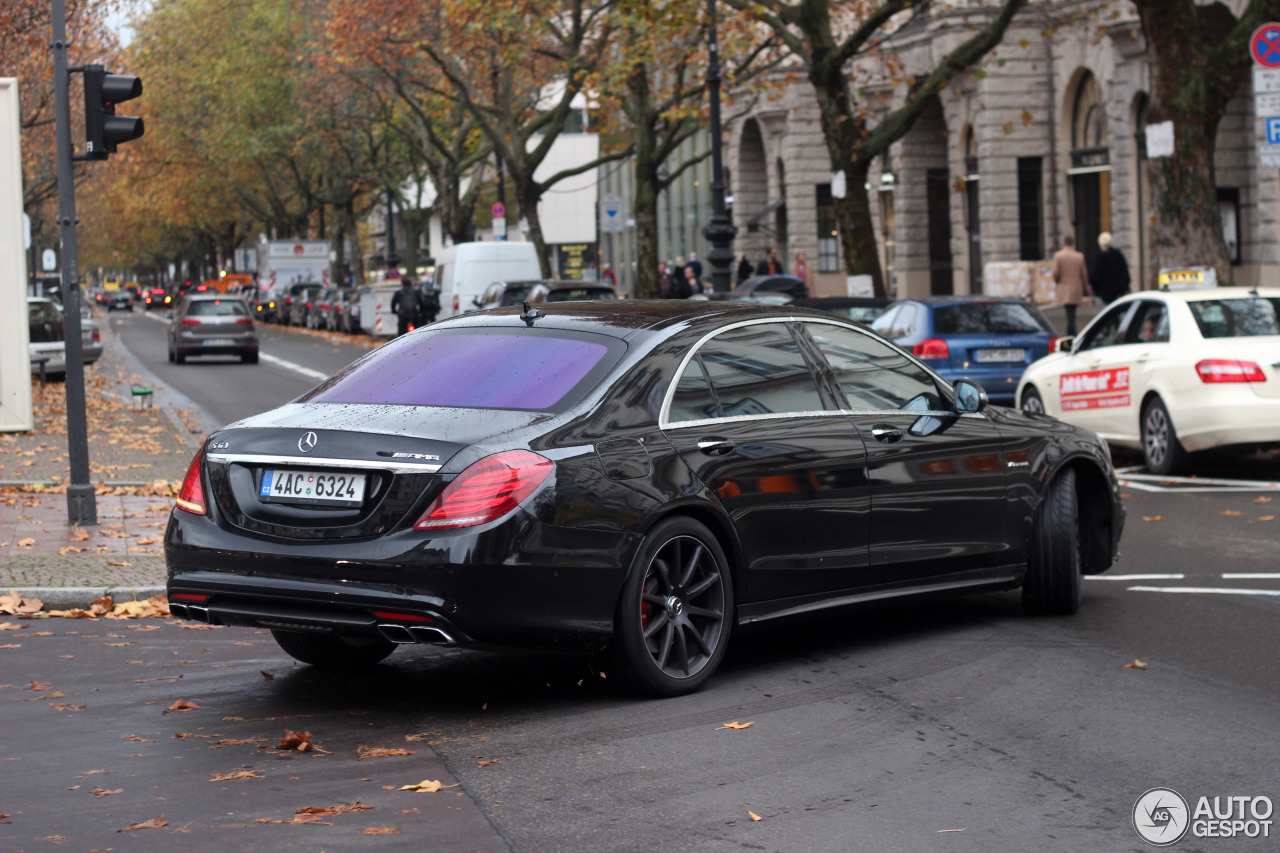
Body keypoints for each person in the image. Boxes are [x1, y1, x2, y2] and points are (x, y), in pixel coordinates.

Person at [1051, 235, 1091, 336]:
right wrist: (1086, 287)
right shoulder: (1079, 256)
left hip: (1064, 287)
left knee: (1069, 312)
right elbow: (1084, 273)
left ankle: (1071, 333)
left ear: (1064, 243)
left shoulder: (1058, 255)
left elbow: (1055, 272)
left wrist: (1057, 281)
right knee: (1072, 312)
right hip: (1076, 287)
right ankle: (1072, 332)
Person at [1091, 232, 1131, 305]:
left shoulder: (1101, 257)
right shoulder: (1117, 255)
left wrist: (1095, 288)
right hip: (1117, 290)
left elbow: (1095, 276)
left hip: (1105, 291)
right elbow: (1124, 272)